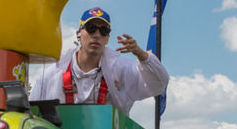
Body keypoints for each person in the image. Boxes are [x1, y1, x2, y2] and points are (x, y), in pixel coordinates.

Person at [29, 7, 169, 116]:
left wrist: (140, 53)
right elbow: (33, 110)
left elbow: (159, 84)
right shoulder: (54, 73)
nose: (97, 35)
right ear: (79, 34)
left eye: (103, 31)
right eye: (91, 29)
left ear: (107, 38)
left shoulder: (120, 69)